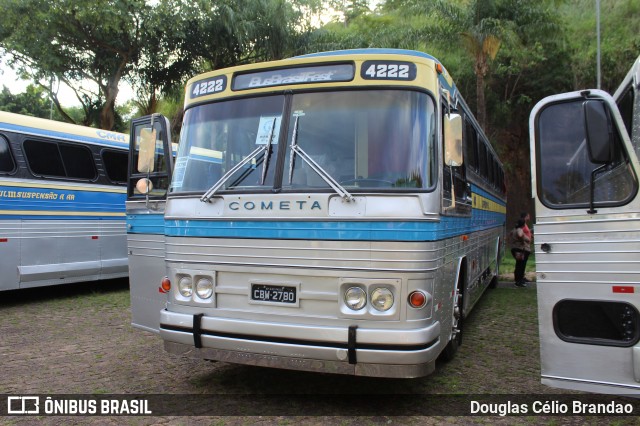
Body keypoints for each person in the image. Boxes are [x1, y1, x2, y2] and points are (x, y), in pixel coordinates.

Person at [510, 218, 531, 287]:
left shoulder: (514, 229)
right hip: (519, 249)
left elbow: (509, 235)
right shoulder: (520, 229)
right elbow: (520, 235)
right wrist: (522, 240)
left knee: (518, 265)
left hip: (514, 248)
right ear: (522, 224)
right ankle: (519, 281)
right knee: (520, 265)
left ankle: (518, 280)